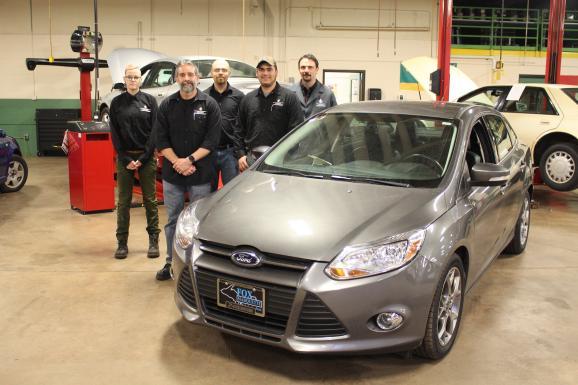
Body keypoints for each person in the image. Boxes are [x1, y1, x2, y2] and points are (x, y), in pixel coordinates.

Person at [155, 60, 222, 280]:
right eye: (182, 75)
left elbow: (212, 140)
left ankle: (195, 266)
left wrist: (190, 160)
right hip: (173, 174)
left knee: (197, 222)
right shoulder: (166, 105)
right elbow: (161, 139)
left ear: (198, 78)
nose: (186, 79)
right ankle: (170, 262)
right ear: (176, 78)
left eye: (190, 75)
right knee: (173, 219)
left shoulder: (209, 104)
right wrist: (178, 162)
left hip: (201, 174)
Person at [109, 64, 160, 260]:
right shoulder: (117, 103)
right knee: (123, 202)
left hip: (146, 158)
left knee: (150, 200)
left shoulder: (150, 101)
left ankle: (153, 240)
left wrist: (144, 157)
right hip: (125, 159)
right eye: (129, 77)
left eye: (136, 77)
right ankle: (122, 243)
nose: (132, 80)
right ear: (124, 79)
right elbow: (115, 133)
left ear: (140, 80)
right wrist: (126, 158)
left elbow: (155, 131)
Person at [237, 56, 304, 171]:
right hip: (252, 161)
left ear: (276, 72)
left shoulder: (289, 98)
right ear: (257, 73)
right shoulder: (247, 99)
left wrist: (288, 157)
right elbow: (238, 130)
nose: (265, 73)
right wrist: (241, 154)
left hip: (281, 161)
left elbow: (296, 131)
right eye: (261, 70)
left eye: (269, 69)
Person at [203, 58, 244, 189]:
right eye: (217, 70)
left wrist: (241, 152)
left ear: (229, 73)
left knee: (230, 193)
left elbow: (243, 125)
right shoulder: (203, 97)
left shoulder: (239, 96)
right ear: (211, 73)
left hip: (230, 153)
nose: (220, 73)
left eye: (224, 70)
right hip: (208, 153)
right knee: (208, 194)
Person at [289, 53, 337, 119]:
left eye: (310, 67)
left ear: (317, 70)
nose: (306, 70)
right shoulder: (290, 92)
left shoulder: (328, 94)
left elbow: (335, 120)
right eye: (303, 67)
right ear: (299, 70)